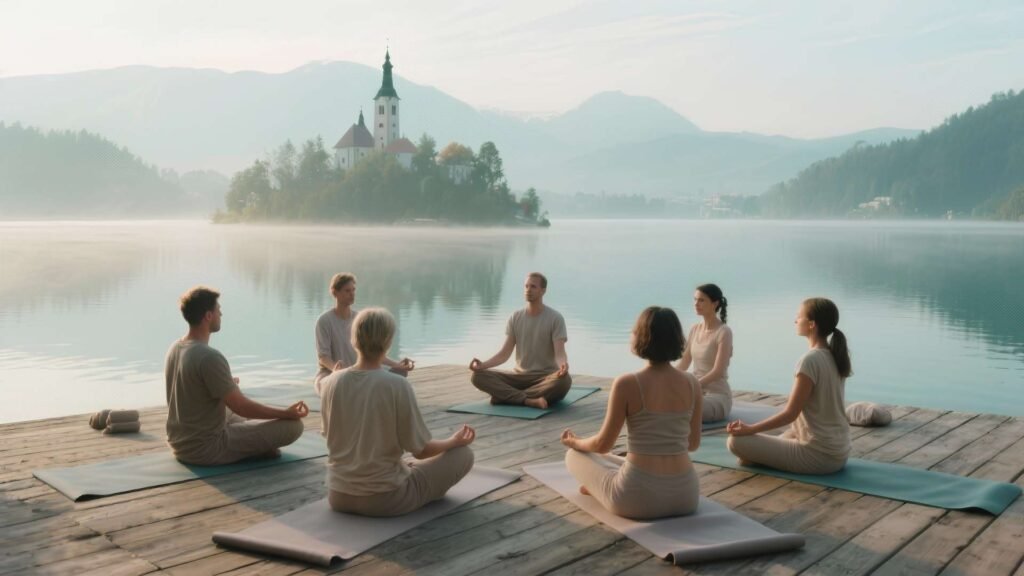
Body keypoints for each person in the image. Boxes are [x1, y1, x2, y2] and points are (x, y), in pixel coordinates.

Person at [320, 307, 475, 517]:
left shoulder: (330, 383)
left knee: (407, 464)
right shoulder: (396, 385)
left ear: (354, 339)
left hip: (338, 496)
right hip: (386, 499)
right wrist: (453, 442)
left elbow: (332, 437)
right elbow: (421, 450)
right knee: (463, 454)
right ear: (388, 341)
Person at [560, 306, 701, 520]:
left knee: (575, 456)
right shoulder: (692, 383)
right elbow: (692, 444)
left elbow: (602, 445)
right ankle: (600, 486)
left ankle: (598, 488)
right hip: (686, 496)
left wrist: (575, 443)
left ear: (643, 338)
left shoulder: (627, 383)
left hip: (638, 499)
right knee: (610, 460)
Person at [165, 286, 308, 466]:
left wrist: (227, 384)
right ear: (208, 316)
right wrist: (286, 413)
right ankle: (256, 449)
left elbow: (192, 388)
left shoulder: (175, 347)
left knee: (235, 408)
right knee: (293, 427)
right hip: (206, 449)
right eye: (219, 310)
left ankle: (255, 441)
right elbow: (242, 407)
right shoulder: (209, 356)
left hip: (179, 442)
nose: (221, 314)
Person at [726, 297, 852, 474]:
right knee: (783, 436)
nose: (795, 320)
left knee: (735, 442)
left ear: (811, 324)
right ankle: (760, 457)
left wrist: (750, 429)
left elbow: (790, 414)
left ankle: (758, 457)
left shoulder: (810, 360)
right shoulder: (835, 356)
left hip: (818, 456)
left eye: (798, 317)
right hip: (839, 451)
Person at [469, 272, 571, 409]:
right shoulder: (515, 317)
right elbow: (504, 354)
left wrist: (563, 366)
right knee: (477, 377)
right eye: (526, 286)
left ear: (543, 291)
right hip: (518, 378)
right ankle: (528, 400)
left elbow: (559, 353)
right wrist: (483, 366)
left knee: (564, 382)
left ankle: (506, 397)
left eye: (533, 286)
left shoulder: (555, 318)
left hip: (545, 378)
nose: (528, 290)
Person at [314, 272, 415, 393]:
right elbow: (323, 357)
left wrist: (397, 365)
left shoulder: (359, 319)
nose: (352, 294)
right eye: (347, 291)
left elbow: (372, 352)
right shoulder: (324, 321)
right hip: (331, 374)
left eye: (353, 290)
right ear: (335, 292)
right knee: (336, 384)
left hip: (359, 372)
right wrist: (336, 370)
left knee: (400, 372)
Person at [676, 283, 734, 422]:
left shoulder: (723, 332)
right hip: (695, 391)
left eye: (701, 300)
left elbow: (718, 371)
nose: (696, 304)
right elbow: (684, 363)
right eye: (695, 299)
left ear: (715, 303)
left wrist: (693, 385)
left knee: (683, 407)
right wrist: (666, 377)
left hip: (717, 396)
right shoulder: (695, 329)